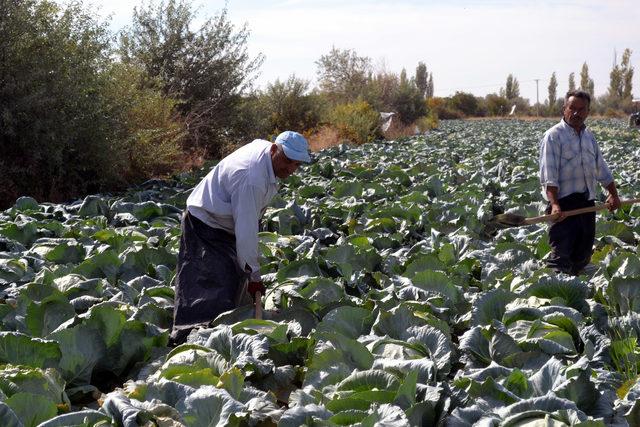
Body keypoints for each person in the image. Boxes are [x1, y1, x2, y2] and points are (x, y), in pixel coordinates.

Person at [170, 131, 311, 344]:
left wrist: (249, 273)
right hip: (205, 223)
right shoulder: (251, 179)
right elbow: (246, 232)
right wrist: (254, 277)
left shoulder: (266, 154)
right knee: (207, 283)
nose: (291, 169)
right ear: (274, 150)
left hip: (225, 222)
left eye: (297, 165)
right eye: (288, 161)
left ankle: (221, 332)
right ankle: (188, 338)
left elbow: (247, 226)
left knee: (231, 279)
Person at [539, 90, 621, 275]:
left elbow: (601, 168)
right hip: (563, 207)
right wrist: (554, 205)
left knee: (582, 256)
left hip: (586, 205)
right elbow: (549, 176)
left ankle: (576, 296)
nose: (576, 113)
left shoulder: (588, 136)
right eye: (572, 108)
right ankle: (555, 295)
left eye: (581, 109)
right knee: (561, 258)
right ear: (564, 109)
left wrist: (613, 194)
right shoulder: (553, 136)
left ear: (587, 112)